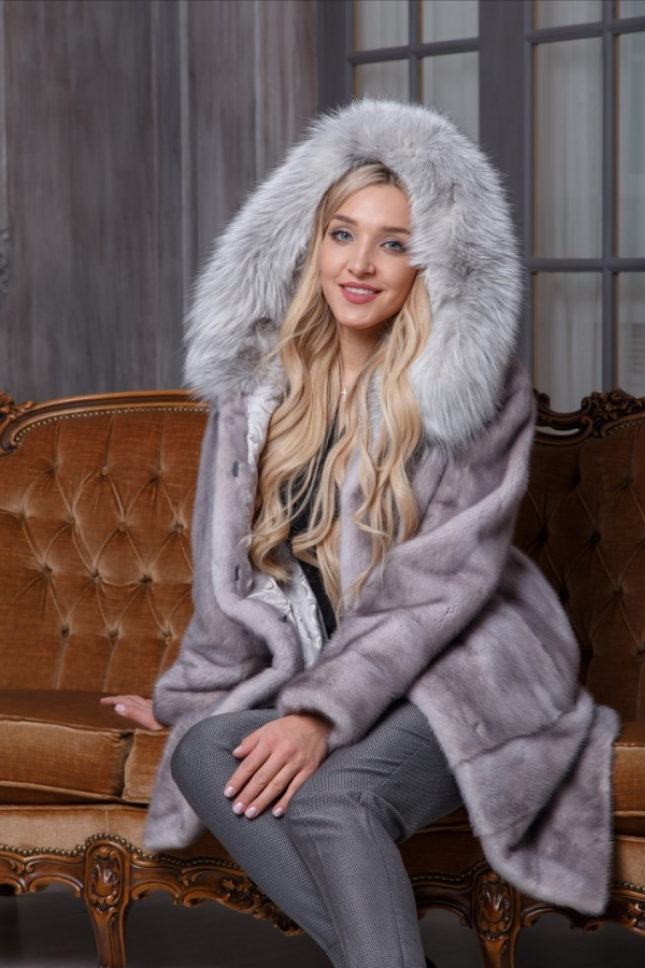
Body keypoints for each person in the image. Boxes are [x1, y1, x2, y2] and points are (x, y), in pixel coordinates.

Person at [102, 100, 619, 968]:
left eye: (395, 243)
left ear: (433, 263)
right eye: (342, 234)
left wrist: (317, 714)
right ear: (309, 241)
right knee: (203, 750)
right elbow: (232, 577)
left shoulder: (471, 389)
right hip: (343, 668)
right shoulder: (259, 390)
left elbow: (437, 585)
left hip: (465, 668)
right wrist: (192, 696)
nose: (361, 264)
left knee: (334, 800)